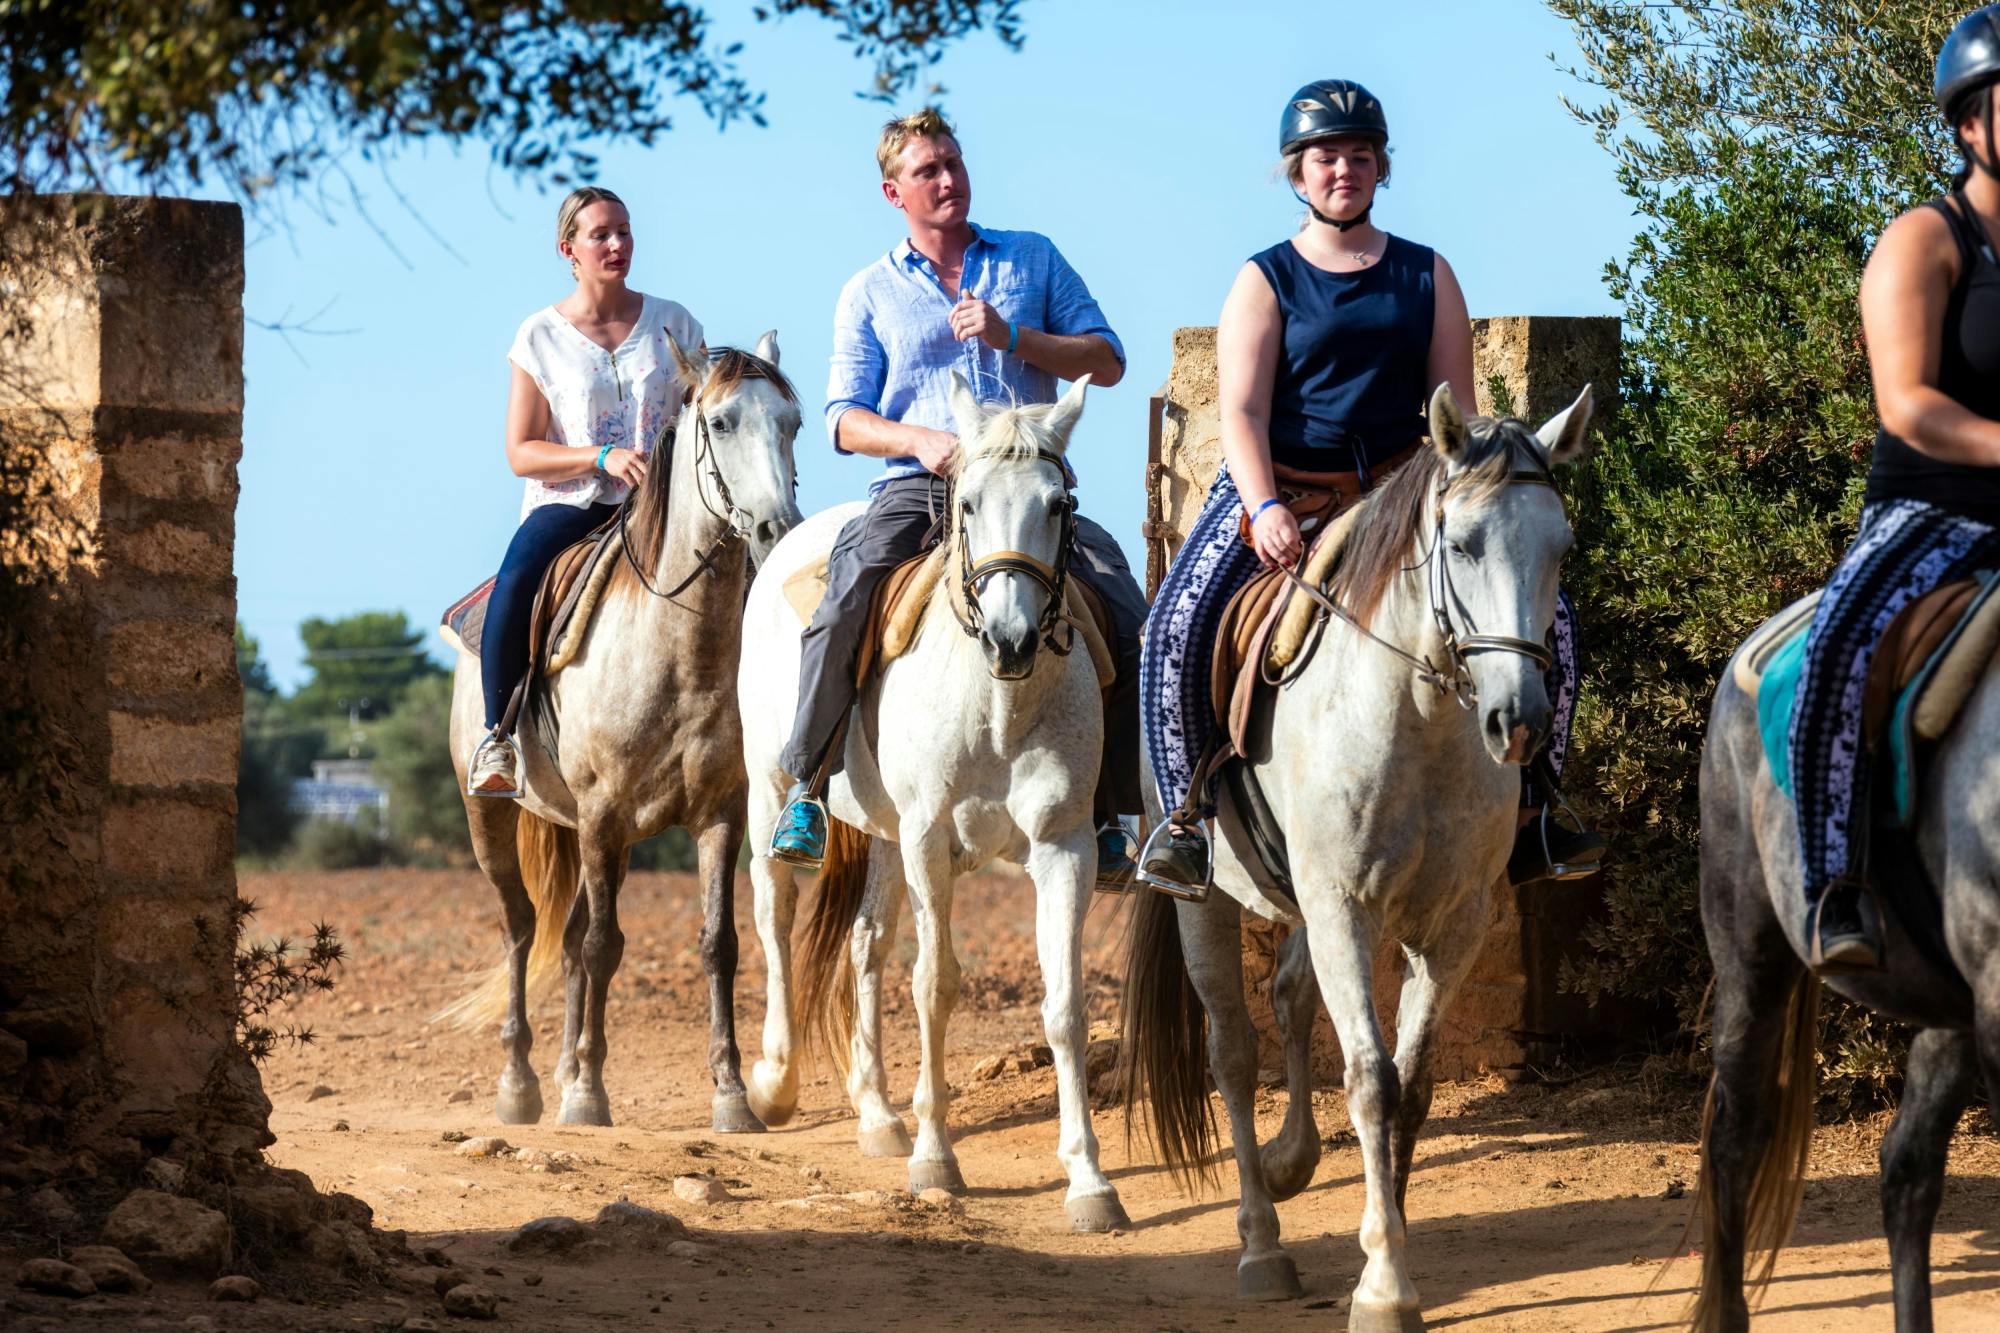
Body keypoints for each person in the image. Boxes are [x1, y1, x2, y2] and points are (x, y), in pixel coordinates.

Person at [1135, 79, 1603, 896]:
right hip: (1280, 488)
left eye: (1360, 155)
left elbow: (1455, 414)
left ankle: (1536, 809)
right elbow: (1241, 413)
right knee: (1174, 624)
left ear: (1382, 167)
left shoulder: (1428, 274)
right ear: (1297, 173)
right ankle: (1185, 822)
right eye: (1326, 157)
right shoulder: (1266, 278)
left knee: (1552, 622)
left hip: (1399, 494)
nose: (1343, 170)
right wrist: (1263, 507)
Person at [766, 107, 1149, 888]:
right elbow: (842, 419)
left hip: (1027, 484)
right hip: (920, 485)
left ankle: (1113, 813)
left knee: (1126, 607)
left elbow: (1107, 360)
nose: (948, 180)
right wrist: (918, 440)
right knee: (844, 600)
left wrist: (1015, 338)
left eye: (954, 162)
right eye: (928, 171)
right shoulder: (868, 291)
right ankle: (806, 787)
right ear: (893, 192)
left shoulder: (1033, 258)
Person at [1787, 5, 2000, 972]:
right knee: (1844, 636)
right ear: (1970, 123)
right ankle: (1835, 882)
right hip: (1936, 510)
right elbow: (1908, 402)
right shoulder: (1928, 237)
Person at [466, 186, 705, 796]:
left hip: (661, 508)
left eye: (624, 231)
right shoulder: (538, 336)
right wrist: (600, 456)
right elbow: (521, 452)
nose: (618, 244)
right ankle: (497, 736)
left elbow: (704, 419)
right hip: (570, 506)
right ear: (567, 249)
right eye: (601, 235)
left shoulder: (676, 325)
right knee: (517, 577)